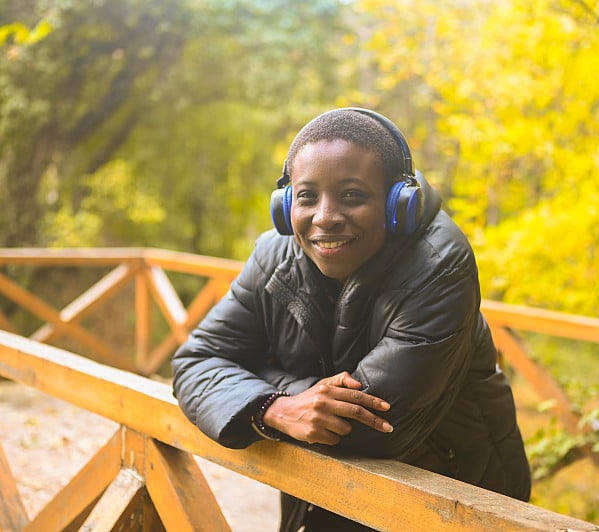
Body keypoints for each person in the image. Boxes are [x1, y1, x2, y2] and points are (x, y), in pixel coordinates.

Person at [171, 107, 531, 531]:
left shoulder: (440, 264)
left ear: (400, 204)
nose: (325, 216)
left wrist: (259, 380)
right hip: (330, 501)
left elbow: (367, 428)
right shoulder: (273, 255)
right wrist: (278, 407)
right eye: (307, 196)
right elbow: (195, 363)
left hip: (457, 506)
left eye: (352, 195)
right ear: (285, 205)